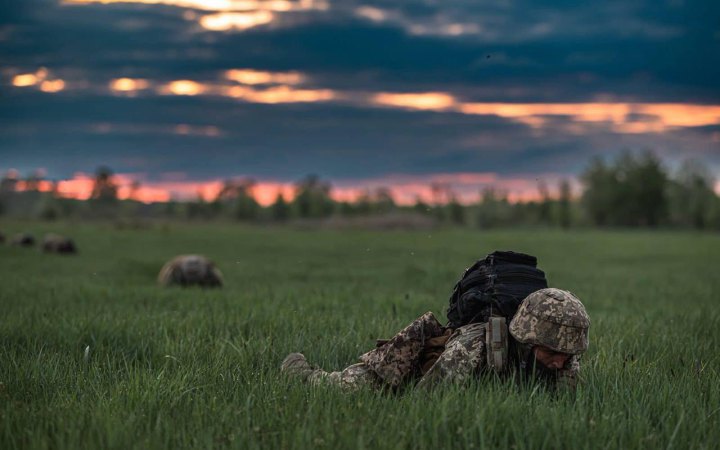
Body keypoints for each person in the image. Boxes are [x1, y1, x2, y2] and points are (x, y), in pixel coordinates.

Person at [281, 288, 590, 391]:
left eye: (568, 353)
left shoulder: (562, 355)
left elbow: (567, 399)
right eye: (554, 352)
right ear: (529, 338)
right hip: (410, 372)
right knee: (340, 388)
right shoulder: (472, 348)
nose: (562, 361)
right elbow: (426, 400)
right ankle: (300, 373)